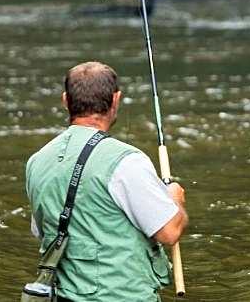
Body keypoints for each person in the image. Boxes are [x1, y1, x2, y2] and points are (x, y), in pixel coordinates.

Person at [25, 61, 188, 301]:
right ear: (116, 100)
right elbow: (169, 232)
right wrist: (175, 199)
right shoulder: (127, 162)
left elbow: (43, 230)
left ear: (65, 101)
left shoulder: (37, 161)